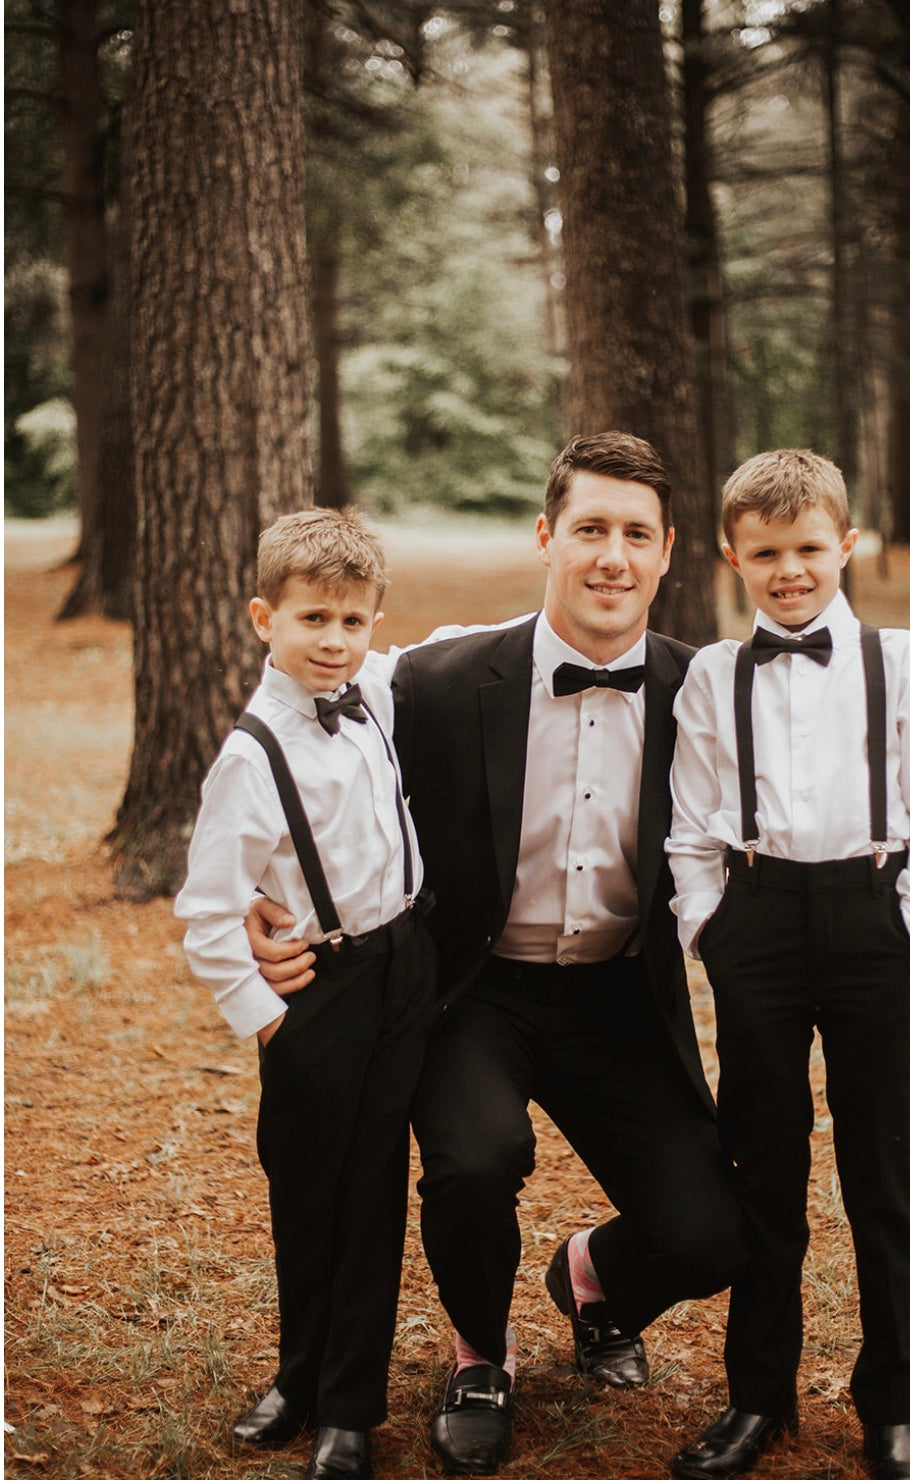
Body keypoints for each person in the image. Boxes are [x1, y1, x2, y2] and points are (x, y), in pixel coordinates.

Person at [251, 432, 748, 1476]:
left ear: (668, 552)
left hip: (621, 995)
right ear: (545, 537)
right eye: (589, 529)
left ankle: (593, 1276)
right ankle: (482, 1353)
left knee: (711, 1232)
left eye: (636, 534)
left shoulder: (703, 689)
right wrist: (260, 892)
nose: (611, 556)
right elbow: (296, 720)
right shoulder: (432, 676)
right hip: (474, 990)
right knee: (475, 1162)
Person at [665, 449, 910, 1480]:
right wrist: (710, 927)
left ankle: (892, 1405)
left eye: (807, 548)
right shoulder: (713, 676)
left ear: (845, 544)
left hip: (868, 919)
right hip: (755, 921)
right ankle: (758, 1395)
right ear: (733, 557)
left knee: (879, 1171)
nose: (788, 570)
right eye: (765, 554)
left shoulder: (904, 661)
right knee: (763, 1165)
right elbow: (691, 821)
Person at [175, 508, 435, 1480]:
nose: (334, 640)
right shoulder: (251, 758)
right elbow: (208, 911)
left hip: (403, 967)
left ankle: (349, 1407)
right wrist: (272, 1020)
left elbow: (457, 645)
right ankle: (299, 1376)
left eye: (353, 621)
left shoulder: (375, 690)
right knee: (305, 1190)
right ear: (263, 618)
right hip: (317, 991)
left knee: (372, 1190)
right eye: (313, 618)